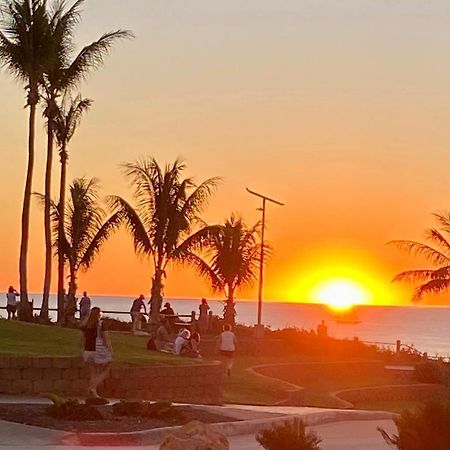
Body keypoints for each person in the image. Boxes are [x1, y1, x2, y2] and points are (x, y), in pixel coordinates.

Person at [80, 307, 112, 402]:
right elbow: (106, 338)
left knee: (93, 372)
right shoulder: (101, 324)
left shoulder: (86, 325)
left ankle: (93, 393)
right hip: (97, 351)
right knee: (106, 369)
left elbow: (82, 339)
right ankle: (92, 387)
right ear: (99, 314)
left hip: (87, 352)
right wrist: (110, 349)